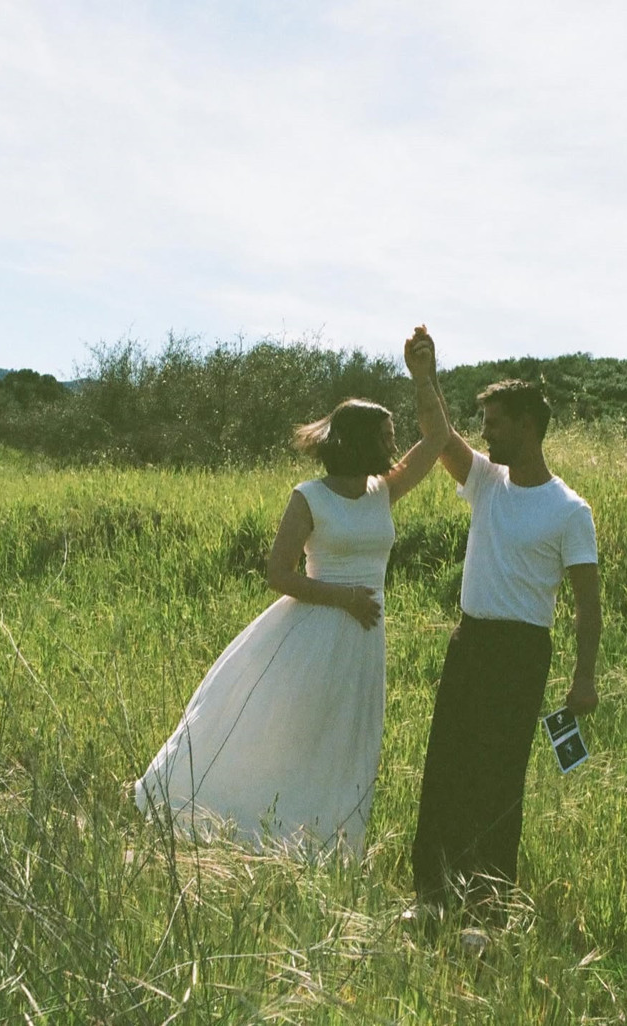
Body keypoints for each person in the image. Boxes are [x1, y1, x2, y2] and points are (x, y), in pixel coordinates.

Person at [136, 330, 448, 854]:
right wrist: (344, 598)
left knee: (344, 741)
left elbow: (437, 438)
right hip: (312, 633)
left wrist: (424, 376)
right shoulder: (310, 498)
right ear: (359, 440)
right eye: (387, 435)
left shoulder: (383, 491)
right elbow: (278, 573)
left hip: (362, 641)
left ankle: (326, 843)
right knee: (286, 734)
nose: (394, 446)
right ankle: (257, 828)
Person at [410, 328, 601, 922]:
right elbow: (441, 436)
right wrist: (424, 376)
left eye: (494, 421)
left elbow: (587, 607)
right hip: (470, 639)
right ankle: (433, 899)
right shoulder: (486, 481)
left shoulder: (570, 511)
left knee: (497, 777)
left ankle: (486, 908)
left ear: (527, 424)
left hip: (521, 651)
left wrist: (584, 678)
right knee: (446, 766)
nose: (485, 432)